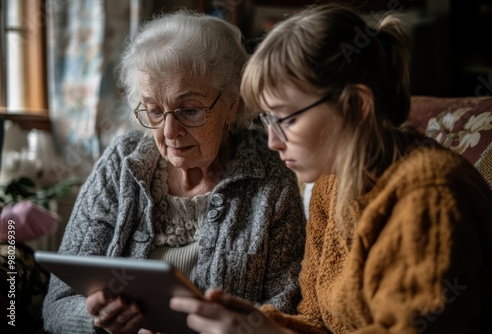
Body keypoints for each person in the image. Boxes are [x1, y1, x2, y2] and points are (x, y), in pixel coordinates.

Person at [169, 3, 492, 333]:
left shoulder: (431, 194)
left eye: (286, 118)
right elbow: (316, 320)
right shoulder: (330, 186)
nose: (272, 141)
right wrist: (255, 321)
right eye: (266, 119)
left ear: (356, 105)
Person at [42, 9, 306, 334]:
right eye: (154, 110)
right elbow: (56, 303)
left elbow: (285, 308)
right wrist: (94, 320)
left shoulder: (270, 174)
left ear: (233, 104)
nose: (169, 131)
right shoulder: (122, 163)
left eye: (190, 110)